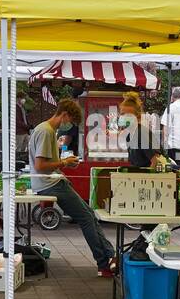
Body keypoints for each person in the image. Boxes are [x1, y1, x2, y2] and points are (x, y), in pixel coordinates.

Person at [30, 98, 117, 277]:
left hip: (50, 181)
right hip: (51, 184)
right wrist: (63, 162)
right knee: (86, 217)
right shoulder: (47, 132)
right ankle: (105, 261)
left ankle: (109, 256)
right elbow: (40, 165)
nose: (69, 126)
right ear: (64, 115)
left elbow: (46, 163)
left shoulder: (45, 129)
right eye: (70, 121)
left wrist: (65, 164)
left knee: (89, 214)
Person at [118, 92, 162, 168]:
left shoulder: (142, 134)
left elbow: (156, 162)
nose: (123, 117)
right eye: (122, 114)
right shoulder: (129, 136)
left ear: (137, 117)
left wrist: (146, 178)